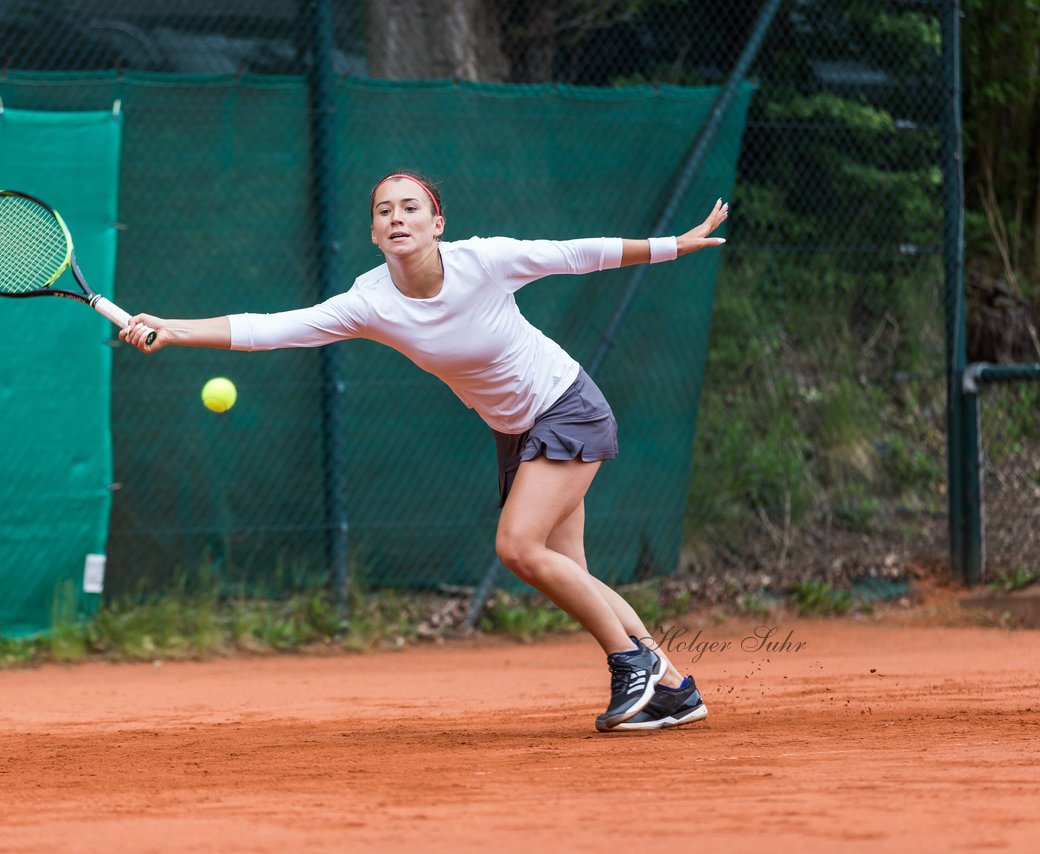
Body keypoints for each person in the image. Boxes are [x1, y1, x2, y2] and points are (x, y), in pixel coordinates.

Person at [119, 172, 727, 732]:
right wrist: (174, 329)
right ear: (374, 232)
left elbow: (576, 254)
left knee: (518, 547)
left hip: (567, 407)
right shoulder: (370, 300)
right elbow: (274, 327)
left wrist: (673, 244)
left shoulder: (484, 261)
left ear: (438, 223)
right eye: (384, 210)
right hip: (515, 430)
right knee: (571, 571)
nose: (396, 217)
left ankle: (629, 661)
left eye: (411, 207)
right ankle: (674, 690)